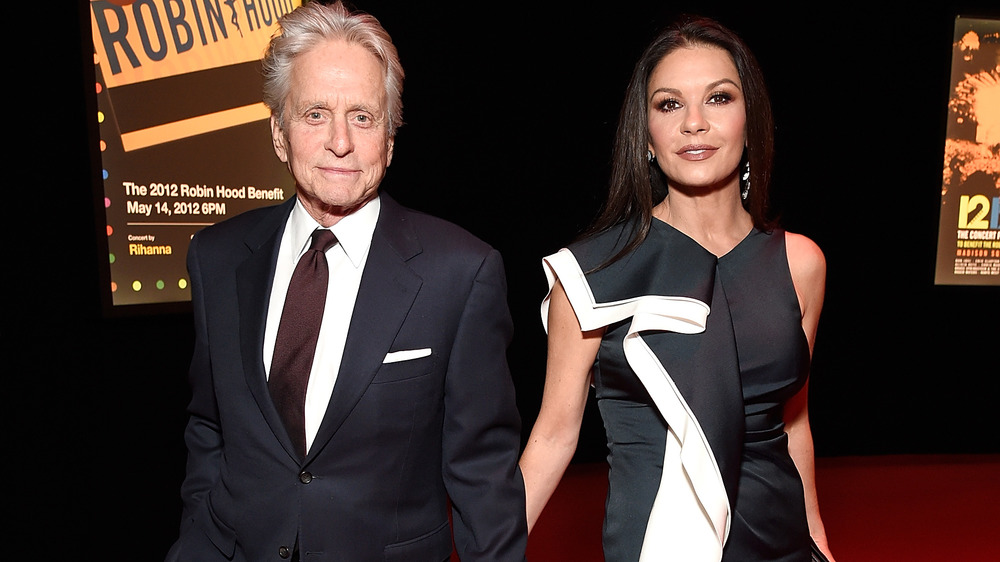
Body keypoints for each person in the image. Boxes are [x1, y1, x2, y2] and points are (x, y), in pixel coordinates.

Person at [164, 2, 527, 560]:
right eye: (314, 114)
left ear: (389, 136)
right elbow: (209, 430)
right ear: (279, 133)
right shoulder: (216, 258)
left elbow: (484, 479)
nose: (340, 141)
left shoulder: (460, 271)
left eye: (362, 116)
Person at [518, 14, 836, 562]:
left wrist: (821, 547)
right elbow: (552, 438)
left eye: (718, 98)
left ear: (749, 119)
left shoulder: (800, 262)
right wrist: (486, 549)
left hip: (781, 542)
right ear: (645, 135)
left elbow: (795, 424)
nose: (694, 122)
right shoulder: (593, 273)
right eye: (669, 104)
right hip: (661, 545)